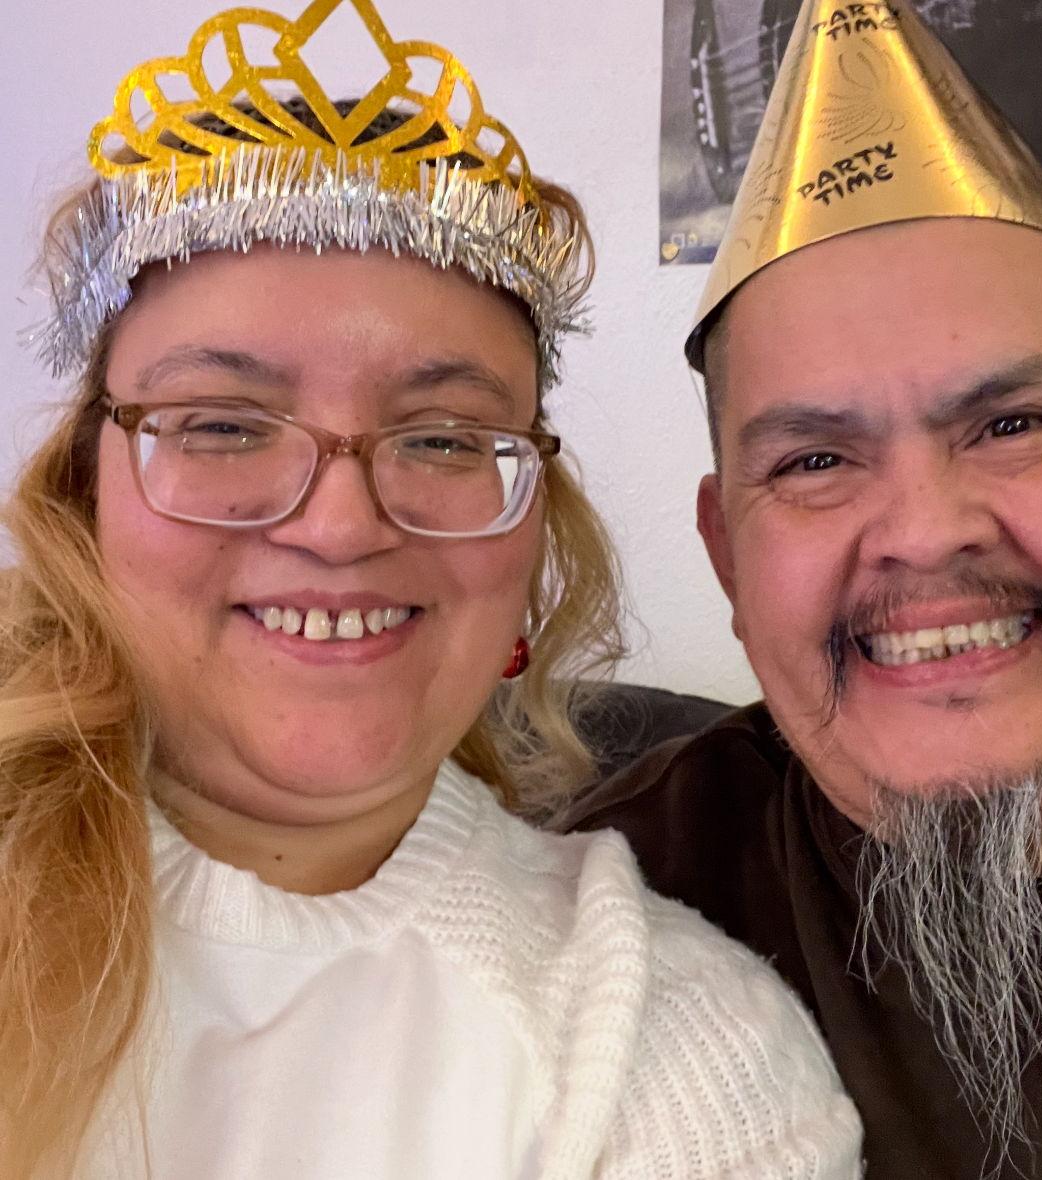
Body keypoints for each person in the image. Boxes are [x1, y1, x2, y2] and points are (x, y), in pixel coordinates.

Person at [0, 2, 864, 1176]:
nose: (339, 525)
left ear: (535, 532)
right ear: (84, 494)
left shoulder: (663, 1046)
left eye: (446, 438)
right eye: (222, 424)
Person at [562, 1, 1042, 1177]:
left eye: (1013, 423)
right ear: (729, 559)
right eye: (814, 461)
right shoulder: (595, 921)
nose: (926, 533)